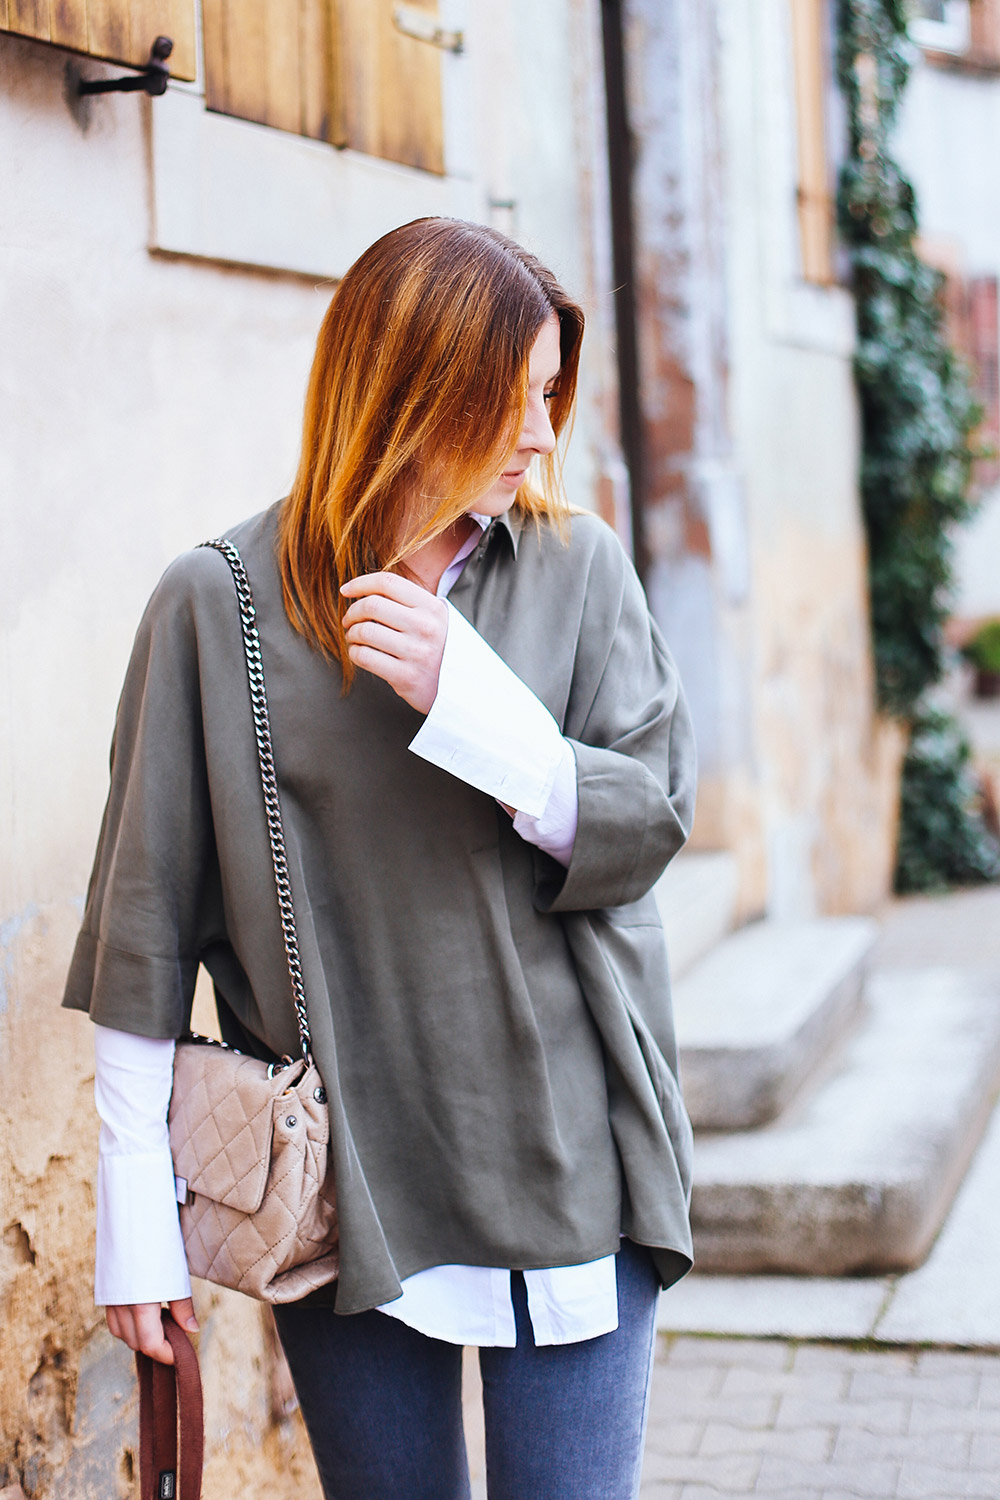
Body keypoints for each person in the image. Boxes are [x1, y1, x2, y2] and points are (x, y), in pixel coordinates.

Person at [63, 217, 697, 1500]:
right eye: (511, 398)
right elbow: (142, 930)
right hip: (354, 1183)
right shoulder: (223, 604)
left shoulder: (578, 567)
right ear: (413, 391)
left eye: (548, 395)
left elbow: (650, 821)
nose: (541, 434)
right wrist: (138, 1231)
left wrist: (481, 709)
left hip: (577, 1152)